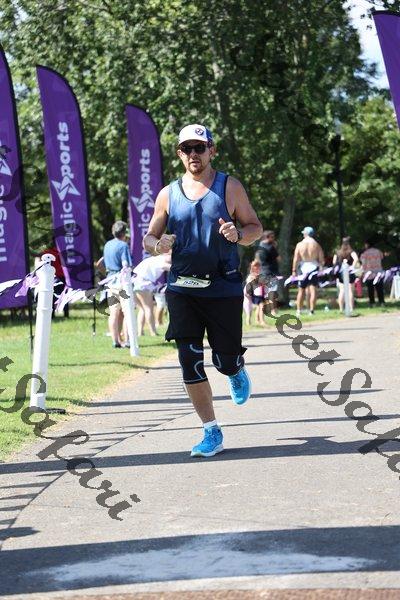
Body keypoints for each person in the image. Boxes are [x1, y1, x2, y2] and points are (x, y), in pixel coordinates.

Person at [143, 123, 262, 457]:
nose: (193, 154)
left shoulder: (229, 187)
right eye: (187, 149)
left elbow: (255, 227)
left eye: (199, 147)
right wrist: (158, 245)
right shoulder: (167, 193)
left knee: (224, 359)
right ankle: (211, 431)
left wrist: (239, 234)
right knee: (190, 361)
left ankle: (234, 369)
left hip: (223, 287)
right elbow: (149, 237)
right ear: (180, 154)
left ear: (212, 150)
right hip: (182, 288)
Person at [103, 221, 132, 348]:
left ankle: (115, 341)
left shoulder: (107, 245)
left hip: (110, 281)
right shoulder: (123, 245)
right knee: (127, 312)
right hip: (121, 281)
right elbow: (126, 264)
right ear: (124, 232)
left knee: (113, 313)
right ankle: (127, 341)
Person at [133, 253, 171, 336]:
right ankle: (153, 332)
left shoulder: (154, 259)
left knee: (142, 309)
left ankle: (140, 332)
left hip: (134, 282)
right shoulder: (161, 261)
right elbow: (172, 268)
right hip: (143, 283)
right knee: (148, 308)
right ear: (166, 255)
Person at [292, 226, 324, 317]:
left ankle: (299, 310)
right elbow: (321, 259)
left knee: (301, 290)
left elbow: (296, 258)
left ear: (306, 234)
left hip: (303, 267)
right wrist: (321, 268)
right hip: (313, 267)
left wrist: (294, 270)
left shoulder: (300, 244)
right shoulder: (316, 244)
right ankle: (311, 310)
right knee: (313, 289)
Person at [255, 230, 280, 316]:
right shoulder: (271, 247)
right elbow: (279, 259)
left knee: (264, 293)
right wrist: (275, 248)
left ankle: (264, 311)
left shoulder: (259, 247)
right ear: (267, 237)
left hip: (262, 272)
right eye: (272, 237)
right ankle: (273, 310)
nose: (273, 238)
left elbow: (257, 259)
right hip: (271, 272)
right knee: (272, 292)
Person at [332, 237, 359, 312]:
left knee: (342, 290)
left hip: (341, 272)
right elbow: (356, 259)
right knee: (350, 291)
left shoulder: (338, 252)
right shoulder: (351, 251)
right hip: (350, 272)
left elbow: (334, 262)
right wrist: (352, 267)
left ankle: (341, 309)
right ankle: (351, 308)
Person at [360, 240, 385, 306]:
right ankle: (382, 302)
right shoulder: (378, 251)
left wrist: (363, 272)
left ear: (367, 245)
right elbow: (382, 258)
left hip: (369, 273)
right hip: (378, 272)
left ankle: (372, 303)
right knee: (380, 288)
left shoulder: (365, 253)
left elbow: (363, 264)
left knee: (370, 289)